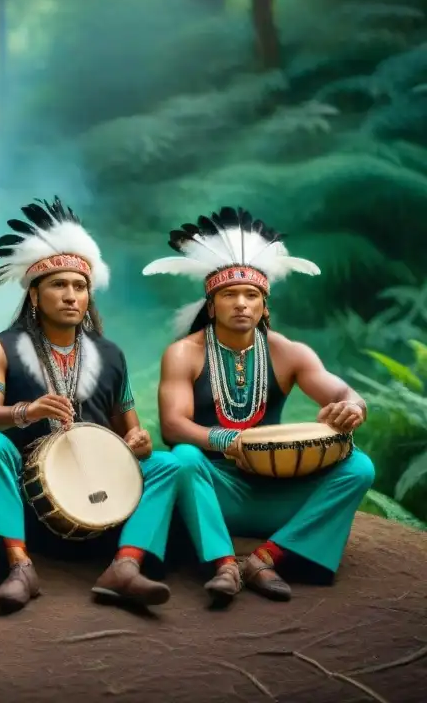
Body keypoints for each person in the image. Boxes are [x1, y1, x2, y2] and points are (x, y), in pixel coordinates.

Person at [145, 206, 375, 605]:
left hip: (279, 493)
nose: (241, 303)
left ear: (264, 305)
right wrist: (229, 441)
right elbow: (173, 426)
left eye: (251, 295)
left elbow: (343, 394)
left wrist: (354, 407)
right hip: (215, 490)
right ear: (211, 305)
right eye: (228, 295)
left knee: (359, 466)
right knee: (182, 457)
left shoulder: (288, 353)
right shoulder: (185, 354)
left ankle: (267, 558)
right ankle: (224, 565)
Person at [0, 197, 181, 614]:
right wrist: (27, 411)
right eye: (58, 286)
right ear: (34, 296)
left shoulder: (111, 355)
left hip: (101, 494)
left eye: (79, 287)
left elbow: (132, 433)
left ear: (88, 296)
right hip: (31, 501)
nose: (70, 296)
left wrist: (137, 442)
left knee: (169, 464)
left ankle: (125, 566)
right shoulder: (1, 348)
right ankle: (19, 565)